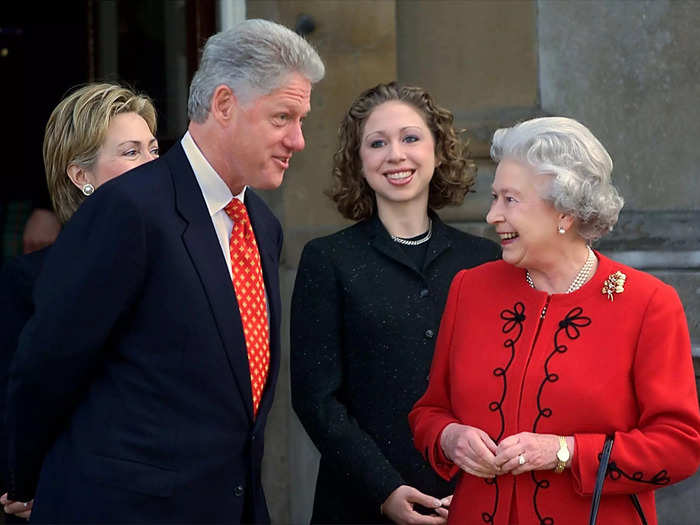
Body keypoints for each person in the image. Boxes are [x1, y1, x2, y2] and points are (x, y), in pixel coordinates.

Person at [7, 19, 324, 523]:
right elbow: (49, 364)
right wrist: (25, 477)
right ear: (223, 105)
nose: (298, 140)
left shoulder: (262, 224)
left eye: (301, 119)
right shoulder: (127, 207)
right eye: (283, 117)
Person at [408, 116, 700, 524]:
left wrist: (565, 452)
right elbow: (429, 411)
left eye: (510, 200)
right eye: (494, 198)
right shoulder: (469, 289)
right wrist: (448, 437)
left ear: (564, 212)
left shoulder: (648, 303)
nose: (492, 215)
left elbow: (679, 447)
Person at [291, 82, 500, 524]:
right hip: (360, 502)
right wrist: (383, 489)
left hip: (467, 499)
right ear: (359, 161)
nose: (395, 155)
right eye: (377, 143)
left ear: (439, 151)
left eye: (410, 138)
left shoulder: (485, 260)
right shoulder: (327, 259)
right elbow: (316, 400)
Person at [0, 81, 159, 521]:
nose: (151, 165)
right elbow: (21, 397)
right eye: (131, 152)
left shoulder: (182, 266)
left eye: (152, 150)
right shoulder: (27, 279)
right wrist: (25, 482)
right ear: (81, 176)